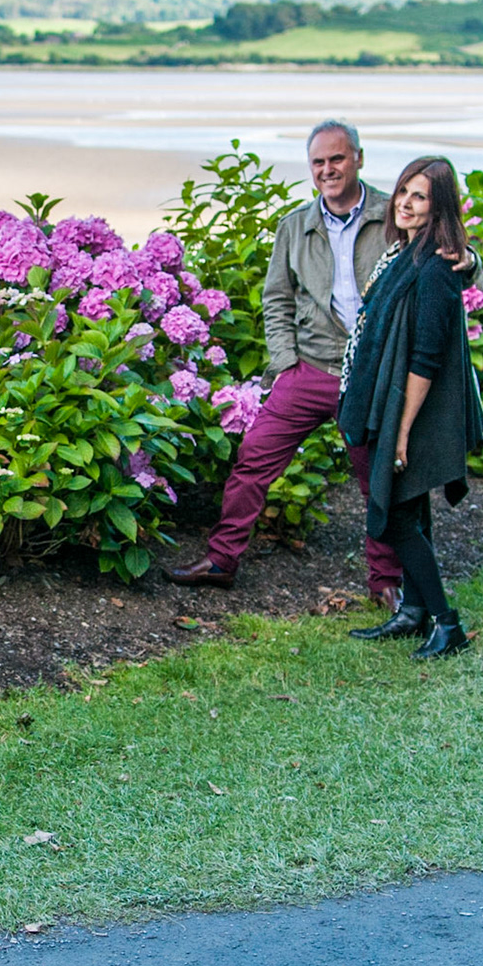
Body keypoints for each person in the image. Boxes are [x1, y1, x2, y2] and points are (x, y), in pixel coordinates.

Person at [163, 121, 408, 607]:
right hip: (309, 370)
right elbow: (276, 297)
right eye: (318, 162)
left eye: (337, 159)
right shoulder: (295, 226)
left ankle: (386, 582)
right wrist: (285, 360)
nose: (327, 170)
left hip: (370, 374)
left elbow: (447, 256)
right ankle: (221, 561)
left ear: (358, 158)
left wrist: (465, 259)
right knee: (253, 459)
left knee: (378, 479)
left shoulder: (391, 216)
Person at [338, 157, 483, 660]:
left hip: (410, 411)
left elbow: (426, 358)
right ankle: (415, 611)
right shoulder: (404, 253)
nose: (404, 202)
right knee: (412, 513)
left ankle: (448, 625)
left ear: (438, 206)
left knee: (396, 516)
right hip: (387, 401)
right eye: (403, 190)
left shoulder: (436, 267)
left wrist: (400, 431)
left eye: (419, 196)